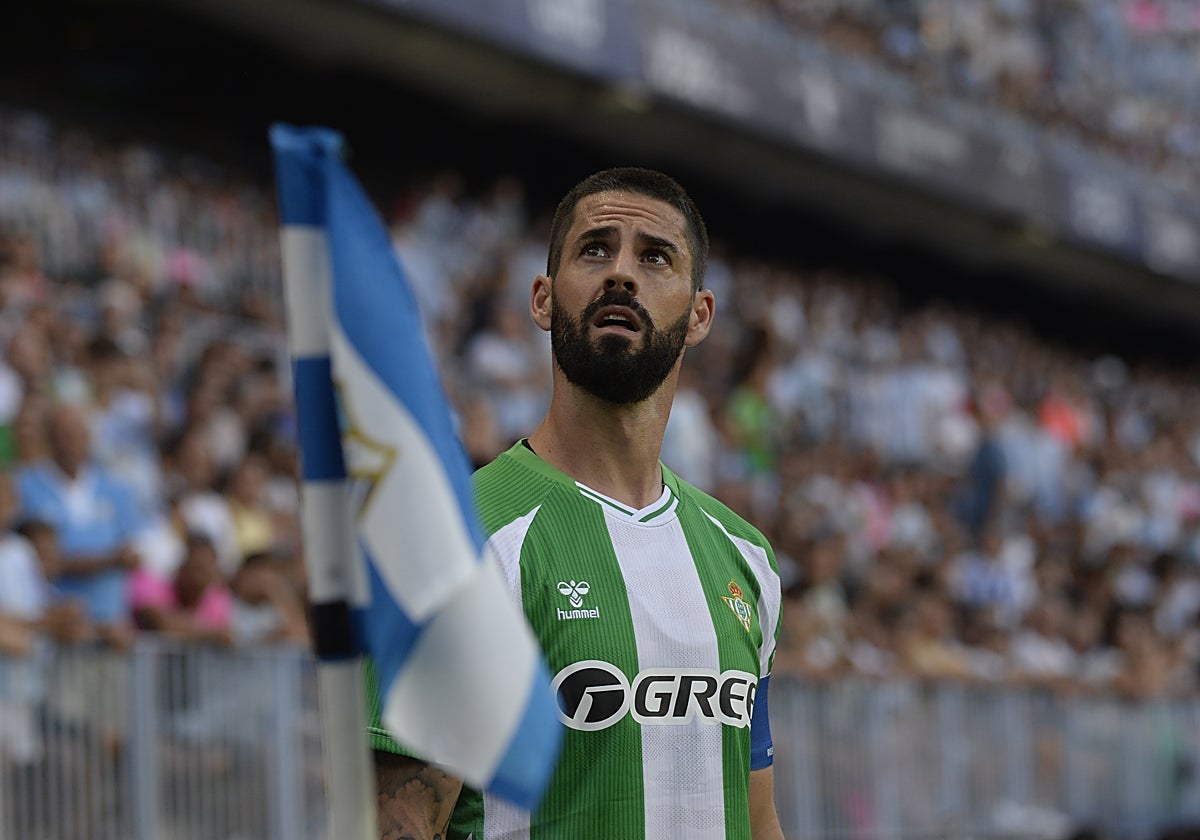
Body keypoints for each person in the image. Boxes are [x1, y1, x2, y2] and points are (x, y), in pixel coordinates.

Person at [369, 168, 785, 839]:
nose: (621, 273)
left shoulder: (747, 558)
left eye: (655, 257)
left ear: (700, 314)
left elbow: (760, 821)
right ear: (541, 298)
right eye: (595, 249)